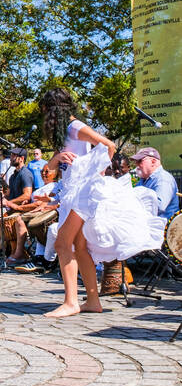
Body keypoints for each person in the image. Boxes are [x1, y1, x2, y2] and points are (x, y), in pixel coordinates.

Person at [39, 88, 164, 318]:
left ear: (53, 109)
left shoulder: (74, 127)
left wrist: (89, 170)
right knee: (80, 248)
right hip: (73, 193)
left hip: (83, 193)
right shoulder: (64, 133)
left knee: (62, 244)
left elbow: (108, 145)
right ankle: (93, 301)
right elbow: (49, 170)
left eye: (45, 109)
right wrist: (58, 158)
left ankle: (71, 302)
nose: (44, 114)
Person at [132, 147, 179, 220]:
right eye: (136, 162)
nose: (136, 165)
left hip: (164, 229)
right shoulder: (142, 181)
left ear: (153, 162)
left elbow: (159, 207)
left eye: (139, 161)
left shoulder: (163, 179)